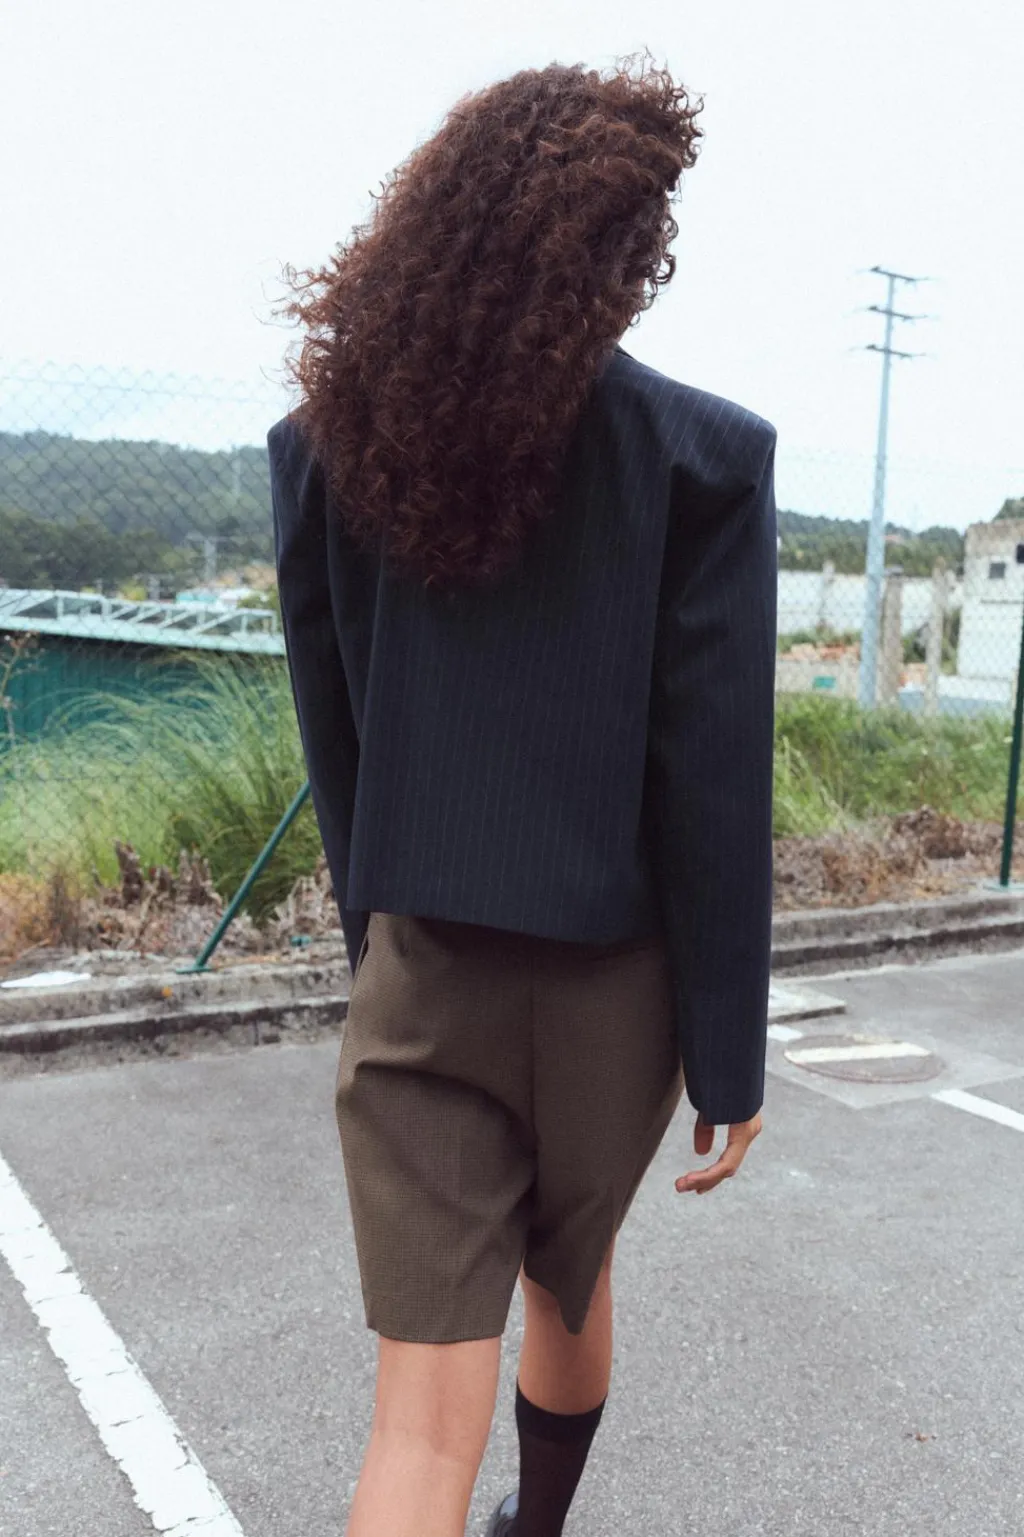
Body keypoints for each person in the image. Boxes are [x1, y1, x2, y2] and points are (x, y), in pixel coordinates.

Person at [269, 52, 777, 1537]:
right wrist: (730, 1058)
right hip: (619, 991)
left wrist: (378, 942)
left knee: (418, 1428)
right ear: (620, 253)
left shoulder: (331, 449)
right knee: (573, 1272)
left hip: (426, 968)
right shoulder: (702, 459)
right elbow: (712, 780)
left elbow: (335, 728)